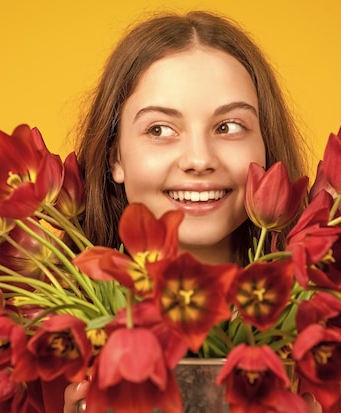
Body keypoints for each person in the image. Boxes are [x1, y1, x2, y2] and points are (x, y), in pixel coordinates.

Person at [64, 9, 308, 412]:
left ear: (267, 148)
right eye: (159, 129)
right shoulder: (54, 343)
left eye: (229, 126)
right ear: (115, 159)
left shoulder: (331, 334)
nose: (199, 159)